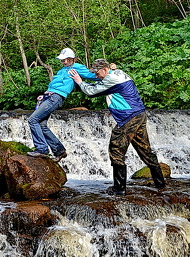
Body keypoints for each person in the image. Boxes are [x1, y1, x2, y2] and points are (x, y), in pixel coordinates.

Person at [69, 59, 166, 195]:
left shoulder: (110, 79)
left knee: (116, 150)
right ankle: (161, 184)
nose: (96, 76)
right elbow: (108, 83)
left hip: (128, 117)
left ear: (105, 69)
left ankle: (119, 189)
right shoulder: (119, 73)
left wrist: (79, 80)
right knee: (145, 150)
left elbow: (90, 91)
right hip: (139, 113)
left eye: (97, 73)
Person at [28, 48, 96, 160]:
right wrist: (44, 95)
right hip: (48, 97)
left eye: (66, 60)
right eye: (62, 60)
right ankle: (59, 151)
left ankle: (41, 149)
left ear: (72, 59)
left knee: (32, 120)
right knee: (41, 124)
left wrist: (110, 71)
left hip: (55, 98)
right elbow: (54, 85)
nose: (64, 62)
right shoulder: (61, 70)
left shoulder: (77, 67)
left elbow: (92, 76)